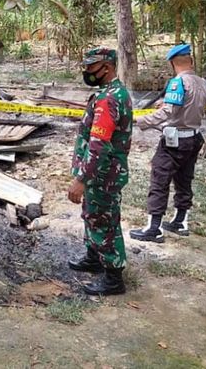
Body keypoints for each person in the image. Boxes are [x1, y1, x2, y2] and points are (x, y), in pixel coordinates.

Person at [67, 48, 133, 296]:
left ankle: (113, 278)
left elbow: (99, 144)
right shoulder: (110, 93)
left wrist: (82, 179)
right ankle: (93, 257)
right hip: (103, 173)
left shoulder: (109, 99)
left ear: (106, 67)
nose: (86, 72)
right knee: (93, 215)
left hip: (103, 174)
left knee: (104, 222)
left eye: (91, 68)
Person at [130, 43, 206, 242]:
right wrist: (165, 103)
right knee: (184, 179)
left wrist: (140, 120)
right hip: (194, 138)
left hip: (175, 141)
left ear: (172, 63)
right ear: (191, 61)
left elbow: (168, 112)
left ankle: (154, 228)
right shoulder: (203, 83)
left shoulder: (177, 83)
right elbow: (193, 105)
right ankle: (181, 221)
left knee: (159, 180)